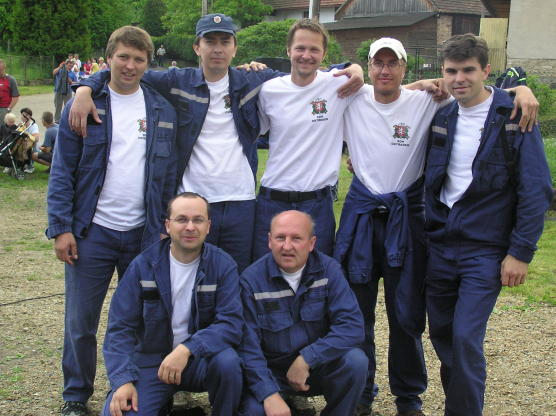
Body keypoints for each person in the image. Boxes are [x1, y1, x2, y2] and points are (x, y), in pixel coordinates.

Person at [335, 36, 540, 416]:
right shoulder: (352, 96)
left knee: (407, 314)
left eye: (392, 63)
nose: (384, 70)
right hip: (368, 220)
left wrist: (521, 90)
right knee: (356, 314)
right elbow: (313, 77)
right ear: (369, 65)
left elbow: (480, 93)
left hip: (413, 223)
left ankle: (409, 398)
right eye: (377, 63)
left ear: (404, 67)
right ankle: (360, 393)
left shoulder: (433, 104)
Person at [69, 14, 362, 273]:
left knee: (239, 278)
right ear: (197, 47)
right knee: (192, 277)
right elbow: (130, 69)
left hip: (241, 202)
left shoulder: (252, 81)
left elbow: (305, 72)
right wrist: (85, 88)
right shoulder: (178, 81)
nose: (218, 48)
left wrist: (353, 67)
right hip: (194, 200)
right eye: (210, 41)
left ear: (235, 47)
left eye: (225, 41)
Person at [46, 26, 178, 416]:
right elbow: (62, 171)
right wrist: (61, 228)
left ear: (147, 63)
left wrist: (164, 226)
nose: (130, 66)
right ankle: (76, 395)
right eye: (123, 57)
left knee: (144, 319)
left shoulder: (161, 110)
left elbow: (169, 176)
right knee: (81, 321)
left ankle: (138, 390)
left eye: (139, 59)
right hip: (93, 232)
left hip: (143, 234)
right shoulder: (83, 105)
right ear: (108, 60)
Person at [425, 34, 552, 416]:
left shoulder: (514, 117)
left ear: (486, 71)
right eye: (451, 71)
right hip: (440, 243)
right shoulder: (443, 116)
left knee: (465, 337)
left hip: (485, 248)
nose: (459, 79)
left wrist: (520, 252)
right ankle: (460, 404)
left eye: (468, 70)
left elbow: (536, 189)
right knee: (443, 335)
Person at [102, 192, 243, 416]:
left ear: (208, 226)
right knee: (120, 412)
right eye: (181, 219)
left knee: (228, 363)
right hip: (152, 364)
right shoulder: (142, 266)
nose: (190, 227)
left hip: (201, 360)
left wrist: (188, 349)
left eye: (198, 220)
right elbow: (120, 328)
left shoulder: (223, 266)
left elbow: (231, 324)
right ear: (168, 225)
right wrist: (123, 380)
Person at [252, 19, 364, 260]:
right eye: (300, 48)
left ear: (324, 54)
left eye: (314, 49)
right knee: (265, 272)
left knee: (318, 274)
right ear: (288, 50)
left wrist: (425, 85)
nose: (306, 55)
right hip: (272, 200)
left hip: (318, 203)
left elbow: (386, 96)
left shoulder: (340, 85)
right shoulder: (269, 90)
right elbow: (251, 132)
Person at [239, 210, 367, 416]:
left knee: (355, 362)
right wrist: (268, 394)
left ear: (311, 243)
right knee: (254, 411)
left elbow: (352, 327)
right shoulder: (251, 281)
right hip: (271, 373)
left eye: (296, 238)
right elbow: (248, 347)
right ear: (269, 241)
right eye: (280, 238)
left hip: (317, 368)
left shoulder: (329, 271)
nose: (287, 246)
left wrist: (307, 359)